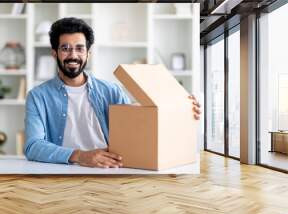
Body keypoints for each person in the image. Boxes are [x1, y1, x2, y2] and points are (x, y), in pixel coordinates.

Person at [24, 17, 201, 168]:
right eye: (65, 48)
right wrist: (81, 156)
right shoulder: (37, 96)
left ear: (88, 54)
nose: (73, 55)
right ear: (54, 53)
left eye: (79, 48)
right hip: (62, 173)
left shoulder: (111, 91)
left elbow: (137, 128)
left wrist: (179, 109)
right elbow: (33, 146)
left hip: (110, 169)